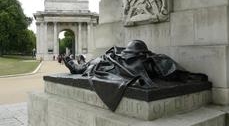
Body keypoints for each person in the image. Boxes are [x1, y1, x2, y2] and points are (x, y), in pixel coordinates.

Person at [63, 40, 208, 111]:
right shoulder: (156, 59)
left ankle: (79, 66)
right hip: (130, 58)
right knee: (102, 59)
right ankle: (79, 66)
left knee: (101, 60)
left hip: (125, 60)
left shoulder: (151, 60)